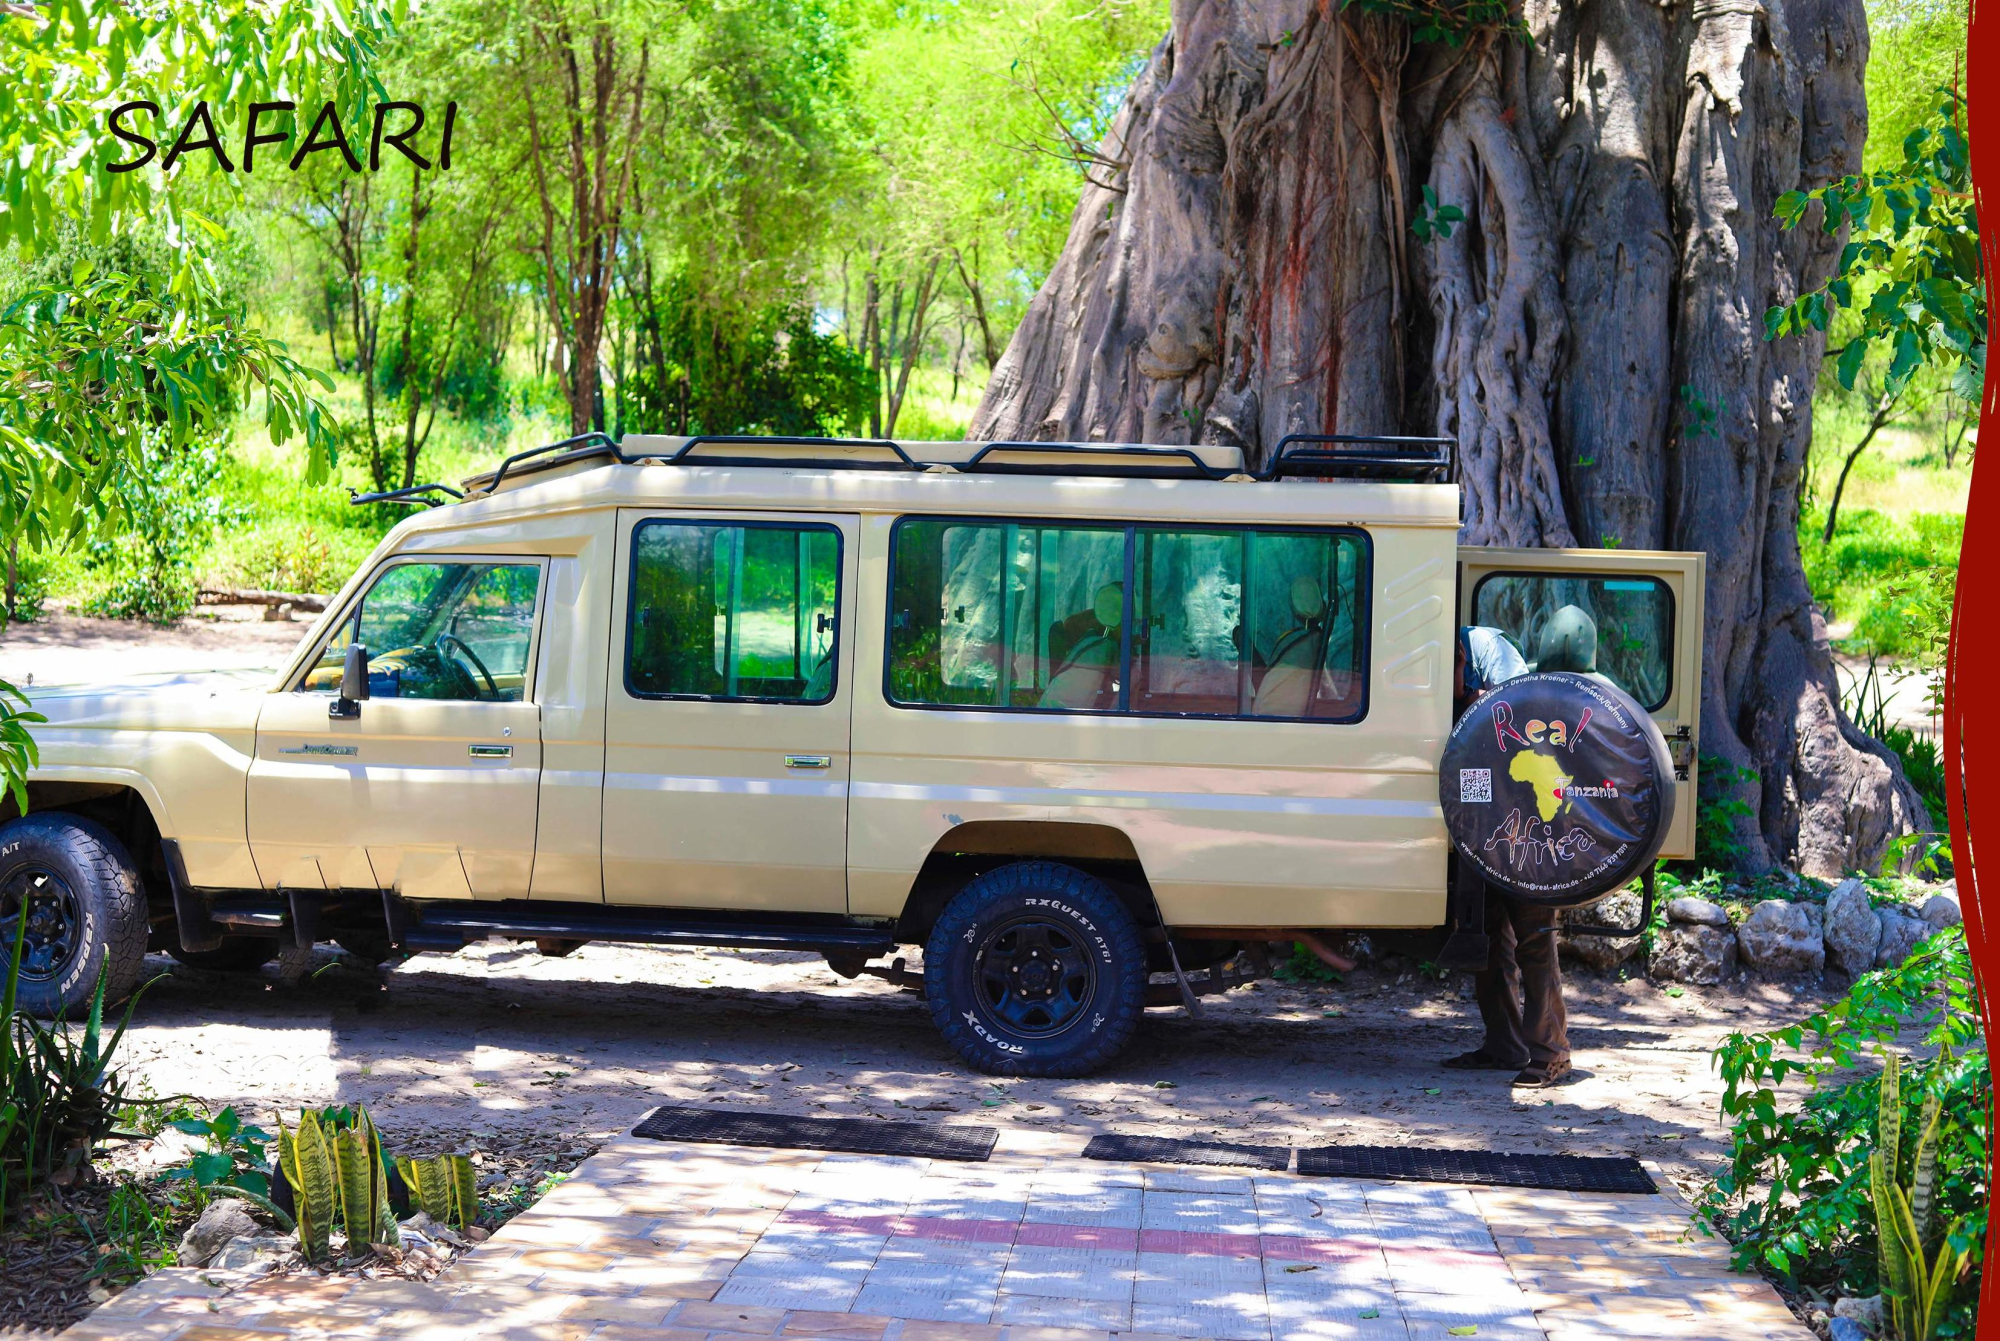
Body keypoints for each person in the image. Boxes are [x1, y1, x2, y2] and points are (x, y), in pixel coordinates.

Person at [1444, 625, 1571, 1088]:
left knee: (1534, 933)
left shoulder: (1486, 648)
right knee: (1490, 934)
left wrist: (1464, 689)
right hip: (1481, 817)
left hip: (1527, 814)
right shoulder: (1439, 655)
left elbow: (1523, 712)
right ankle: (1505, 1043)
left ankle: (1551, 1052)